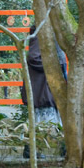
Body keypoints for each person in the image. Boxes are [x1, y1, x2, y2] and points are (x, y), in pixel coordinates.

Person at [21, 24, 67, 159]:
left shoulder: (49, 33)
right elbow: (33, 58)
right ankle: (32, 150)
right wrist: (53, 67)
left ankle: (32, 149)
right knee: (45, 121)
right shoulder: (40, 34)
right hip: (41, 87)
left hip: (45, 86)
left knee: (49, 120)